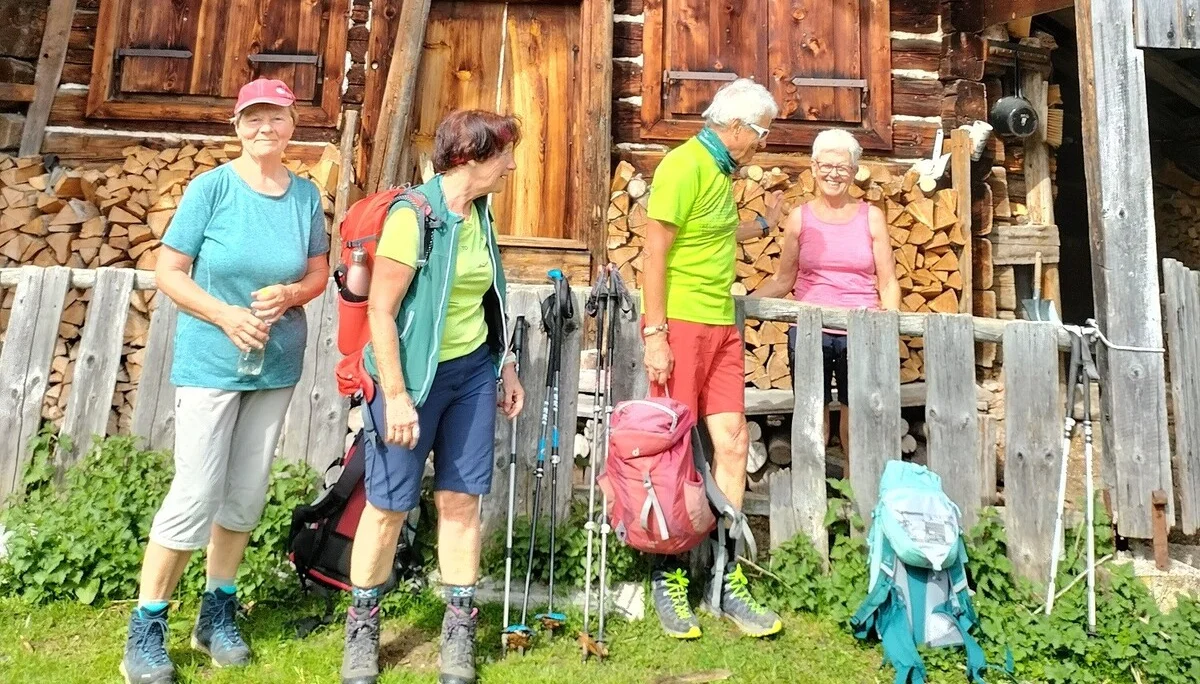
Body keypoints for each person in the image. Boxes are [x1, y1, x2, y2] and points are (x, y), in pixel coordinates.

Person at [121, 78, 331, 684]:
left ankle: (217, 611)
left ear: (293, 125)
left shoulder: (304, 197)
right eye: (254, 118)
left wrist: (293, 292)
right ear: (237, 126)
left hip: (275, 365)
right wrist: (225, 314)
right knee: (194, 492)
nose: (266, 128)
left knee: (244, 495)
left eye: (277, 118)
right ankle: (147, 626)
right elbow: (169, 272)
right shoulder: (210, 188)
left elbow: (319, 273)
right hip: (212, 363)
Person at [339, 109, 525, 684]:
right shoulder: (412, 217)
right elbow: (381, 312)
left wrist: (507, 366)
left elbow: (489, 294)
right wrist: (394, 395)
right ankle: (363, 630)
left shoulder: (481, 213)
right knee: (389, 505)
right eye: (503, 155)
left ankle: (458, 632)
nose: (512, 165)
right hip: (410, 379)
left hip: (471, 372)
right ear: (471, 158)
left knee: (461, 502)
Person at [641, 78, 785, 640]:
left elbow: (718, 232)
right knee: (673, 451)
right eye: (761, 133)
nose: (763, 144)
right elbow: (653, 250)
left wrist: (767, 224)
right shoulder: (682, 166)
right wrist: (656, 333)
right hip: (680, 325)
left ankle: (725, 578)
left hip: (722, 324)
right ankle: (669, 574)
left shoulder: (722, 174)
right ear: (736, 128)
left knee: (733, 443)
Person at [753, 128, 901, 468]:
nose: (834, 174)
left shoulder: (872, 217)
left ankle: (856, 491)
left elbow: (888, 280)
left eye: (843, 167)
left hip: (860, 331)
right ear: (814, 167)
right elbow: (783, 279)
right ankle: (813, 493)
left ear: (854, 171)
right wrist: (744, 304)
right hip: (809, 330)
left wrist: (888, 324)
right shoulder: (799, 218)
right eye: (827, 166)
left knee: (857, 416)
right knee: (812, 413)